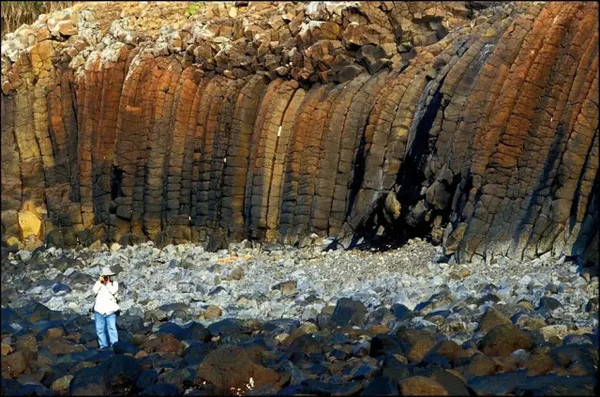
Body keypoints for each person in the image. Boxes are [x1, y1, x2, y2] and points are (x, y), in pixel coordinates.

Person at [93, 266, 119, 349]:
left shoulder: (114, 283)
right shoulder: (99, 283)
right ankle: (103, 346)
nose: (105, 277)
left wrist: (107, 283)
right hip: (99, 309)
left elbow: (113, 291)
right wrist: (100, 282)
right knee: (100, 330)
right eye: (104, 276)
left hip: (110, 310)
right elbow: (94, 290)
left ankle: (114, 345)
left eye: (107, 276)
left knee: (112, 328)